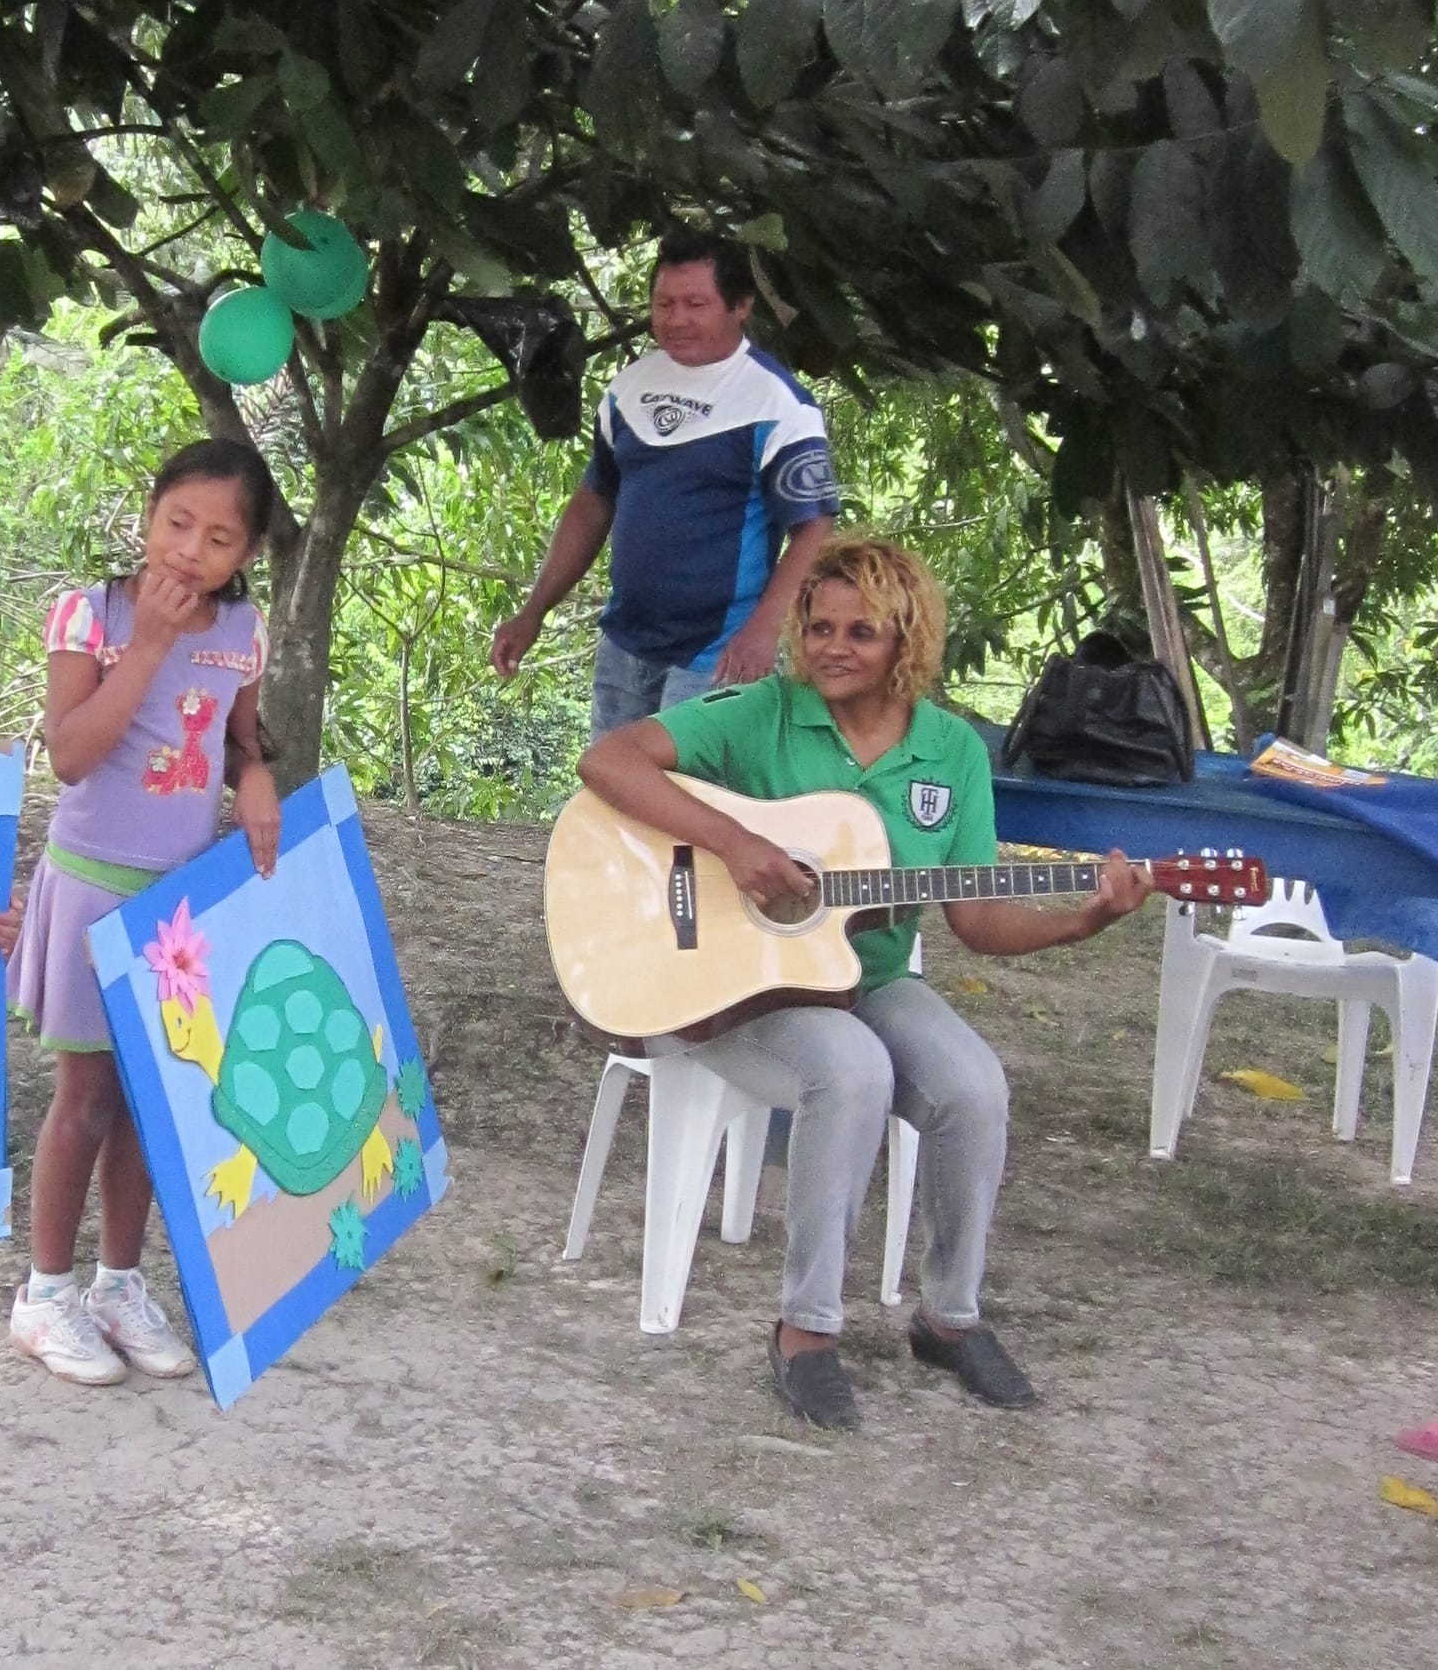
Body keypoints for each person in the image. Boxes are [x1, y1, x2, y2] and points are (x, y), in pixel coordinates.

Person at [576, 536, 1151, 1429]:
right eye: (819, 627)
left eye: (861, 632)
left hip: (869, 978)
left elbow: (976, 921)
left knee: (973, 1087)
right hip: (737, 985)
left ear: (905, 641)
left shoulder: (951, 752)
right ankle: (805, 1330)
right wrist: (735, 843)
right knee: (851, 1070)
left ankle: (949, 1316)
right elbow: (608, 761)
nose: (833, 647)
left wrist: (1085, 919)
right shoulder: (765, 711)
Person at [3, 437, 282, 1386]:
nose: (190, 551)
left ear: (246, 553)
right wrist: (153, 644)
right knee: (83, 1099)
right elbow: (71, 753)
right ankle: (45, 1293)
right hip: (92, 886)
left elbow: (238, 742)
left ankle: (118, 1284)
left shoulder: (240, 631)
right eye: (177, 523)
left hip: (175, 908)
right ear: (149, 514)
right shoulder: (93, 616)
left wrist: (256, 776)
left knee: (145, 1104)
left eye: (219, 538)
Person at [491, 227, 840, 736]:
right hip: (625, 643)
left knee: (685, 786)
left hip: (718, 653)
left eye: (695, 304)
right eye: (664, 304)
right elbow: (594, 501)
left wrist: (764, 629)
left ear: (741, 306)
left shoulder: (779, 404)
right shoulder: (629, 389)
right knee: (609, 781)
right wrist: (533, 611)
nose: (676, 319)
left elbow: (814, 527)